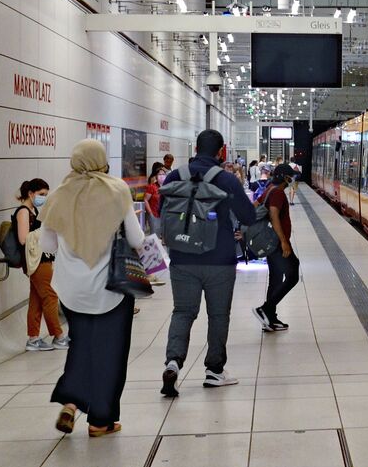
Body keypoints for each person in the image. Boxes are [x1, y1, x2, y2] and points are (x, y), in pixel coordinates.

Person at [38, 139, 144, 438]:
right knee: (110, 354)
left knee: (81, 346)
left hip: (72, 291)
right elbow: (135, 239)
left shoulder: (58, 195)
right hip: (111, 289)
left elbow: (47, 244)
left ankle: (70, 403)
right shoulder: (116, 190)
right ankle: (100, 421)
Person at [160, 129, 256, 396]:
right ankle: (214, 370)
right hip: (220, 260)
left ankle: (173, 363)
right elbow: (247, 217)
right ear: (221, 151)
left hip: (181, 259)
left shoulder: (174, 176)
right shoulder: (226, 179)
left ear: (194, 150)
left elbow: (162, 214)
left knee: (182, 312)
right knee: (218, 315)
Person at [15, 179, 68, 351]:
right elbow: (23, 238)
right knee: (50, 296)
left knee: (36, 300)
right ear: (31, 194)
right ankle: (58, 336)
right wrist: (45, 230)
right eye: (41, 195)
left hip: (41, 258)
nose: (44, 198)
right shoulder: (23, 212)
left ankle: (33, 338)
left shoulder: (33, 210)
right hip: (37, 261)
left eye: (46, 195)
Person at [253, 164, 300, 332]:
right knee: (293, 274)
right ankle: (265, 309)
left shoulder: (269, 189)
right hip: (276, 243)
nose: (292, 179)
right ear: (284, 177)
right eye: (290, 176)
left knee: (276, 277)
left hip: (270, 242)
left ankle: (270, 318)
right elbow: (273, 214)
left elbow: (255, 205)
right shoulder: (278, 193)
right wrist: (284, 241)